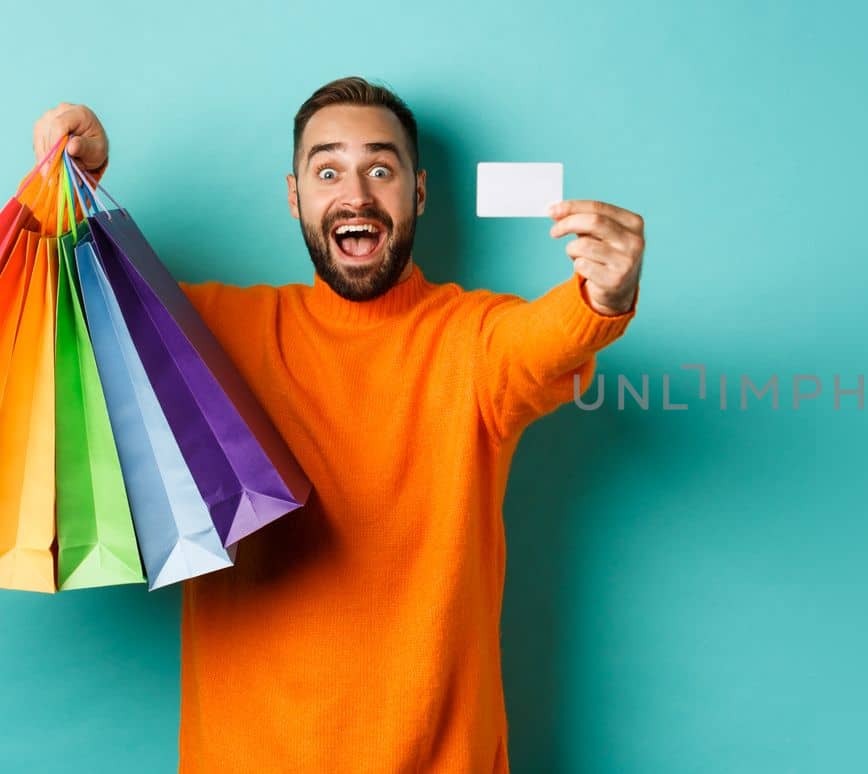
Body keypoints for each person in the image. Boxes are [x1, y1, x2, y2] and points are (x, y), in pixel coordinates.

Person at [30, 76, 645, 773]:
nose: (356, 195)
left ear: (418, 194)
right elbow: (73, 311)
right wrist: (75, 193)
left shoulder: (473, 342)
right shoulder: (212, 334)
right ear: (296, 197)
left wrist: (604, 294)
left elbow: (549, 338)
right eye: (328, 171)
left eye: (380, 169)